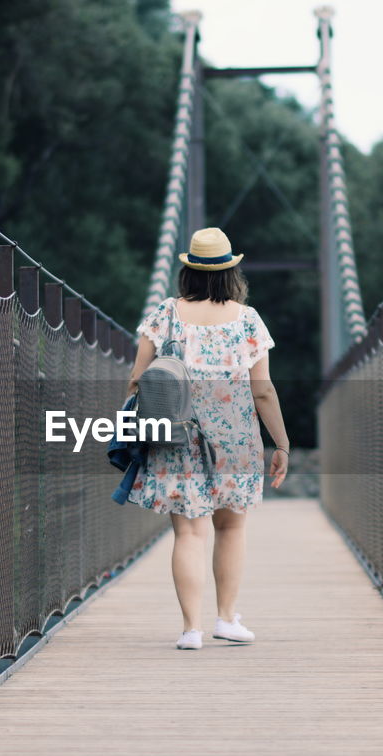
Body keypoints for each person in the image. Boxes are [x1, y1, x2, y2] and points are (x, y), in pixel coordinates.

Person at [126, 227, 290, 651]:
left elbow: (136, 381)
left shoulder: (165, 314)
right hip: (235, 439)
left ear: (188, 271)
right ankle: (227, 619)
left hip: (176, 437)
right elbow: (263, 390)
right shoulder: (247, 320)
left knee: (189, 534)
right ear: (231, 272)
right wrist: (282, 444)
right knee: (231, 528)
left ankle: (190, 630)